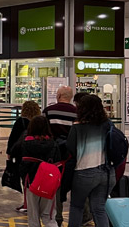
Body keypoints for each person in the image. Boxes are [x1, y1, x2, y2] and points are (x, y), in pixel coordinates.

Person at [66, 95, 115, 227]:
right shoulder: (108, 125)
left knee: (77, 207)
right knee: (99, 209)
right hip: (106, 172)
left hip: (84, 172)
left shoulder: (77, 127)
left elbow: (70, 149)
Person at [41, 86, 84, 225]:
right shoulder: (78, 113)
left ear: (59, 95)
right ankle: (84, 215)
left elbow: (43, 132)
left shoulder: (48, 111)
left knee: (56, 186)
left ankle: (57, 216)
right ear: (70, 97)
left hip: (54, 155)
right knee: (76, 185)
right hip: (73, 155)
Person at [12, 116, 62, 227]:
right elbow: (58, 163)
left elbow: (16, 156)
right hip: (49, 184)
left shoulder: (25, 143)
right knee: (48, 216)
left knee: (33, 217)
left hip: (31, 181)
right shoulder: (53, 144)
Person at [6, 101, 41, 213]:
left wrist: (9, 153)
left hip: (23, 155)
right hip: (37, 155)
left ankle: (27, 204)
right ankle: (36, 203)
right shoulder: (39, 122)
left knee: (25, 180)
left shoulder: (20, 122)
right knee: (35, 179)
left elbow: (13, 139)